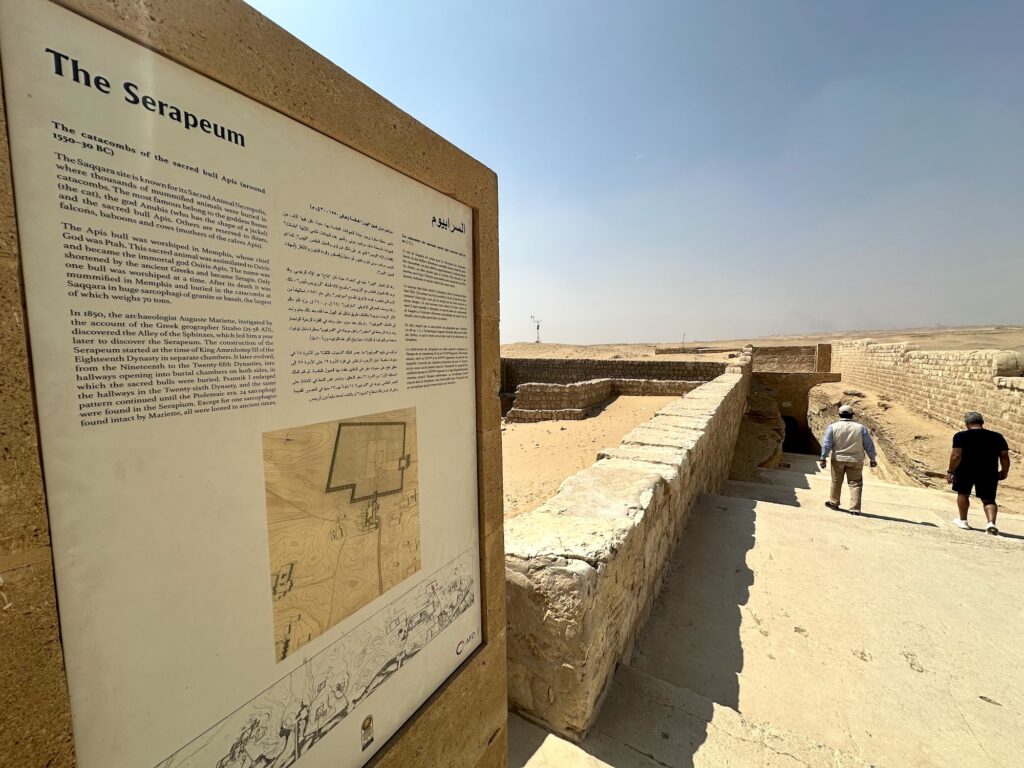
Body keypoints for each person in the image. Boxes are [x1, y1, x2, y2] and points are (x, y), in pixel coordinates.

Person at [946, 411, 1010, 535]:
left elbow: (956, 455)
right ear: (982, 423)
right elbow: (1004, 456)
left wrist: (951, 471)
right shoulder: (997, 437)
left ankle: (963, 521)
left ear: (967, 424)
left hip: (965, 470)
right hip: (988, 472)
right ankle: (991, 523)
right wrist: (1004, 471)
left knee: (963, 493)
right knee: (989, 499)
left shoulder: (960, 436)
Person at [819, 404, 878, 514]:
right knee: (855, 483)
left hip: (838, 459)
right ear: (852, 415)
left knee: (836, 481)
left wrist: (823, 458)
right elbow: (869, 445)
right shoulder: (861, 428)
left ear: (839, 415)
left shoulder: (833, 427)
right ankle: (855, 508)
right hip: (856, 460)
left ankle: (834, 502)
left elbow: (827, 444)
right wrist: (872, 459)